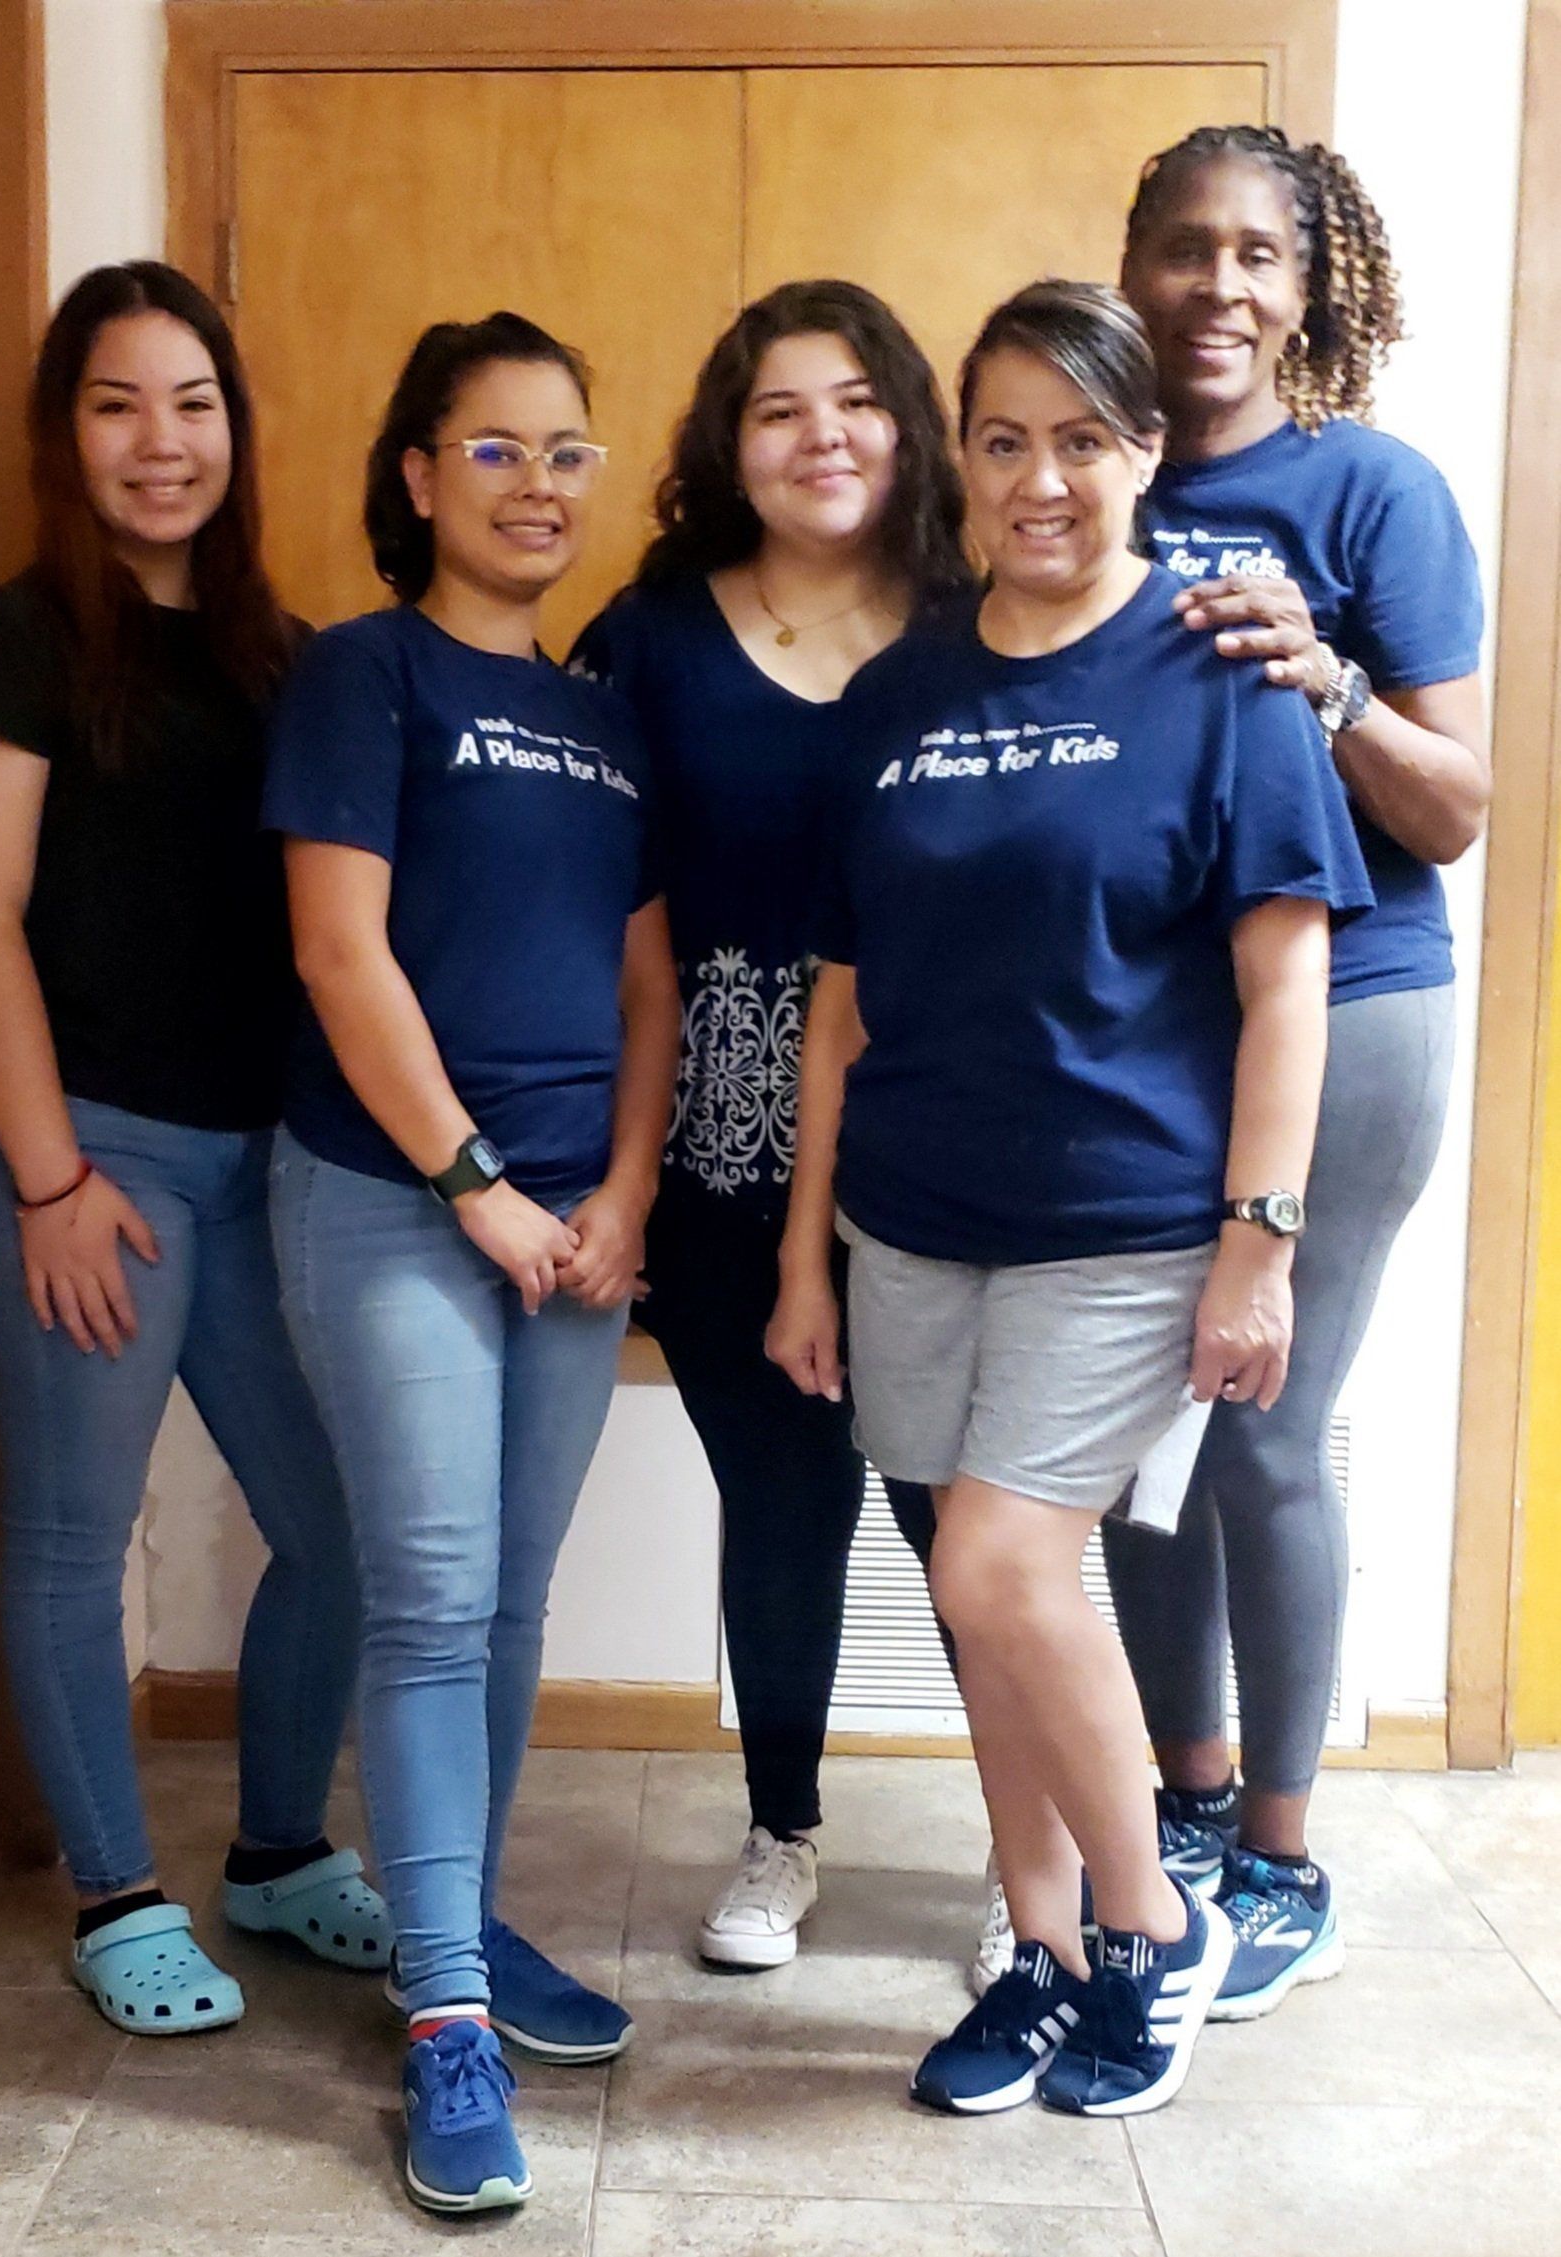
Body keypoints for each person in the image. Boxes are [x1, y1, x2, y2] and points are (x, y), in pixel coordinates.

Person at [768, 280, 1371, 2118]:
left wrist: (1258, 1247)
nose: (1044, 480)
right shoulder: (903, 694)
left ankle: (1152, 1929)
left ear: (1149, 451)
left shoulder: (1220, 668)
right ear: (964, 456)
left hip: (1123, 1219)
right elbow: (841, 1001)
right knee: (985, 1612)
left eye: (1086, 440)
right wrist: (807, 1253)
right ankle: (1038, 1954)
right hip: (911, 1216)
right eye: (1007, 439)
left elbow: (1287, 985)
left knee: (1003, 1565)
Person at [0, 262, 388, 2037]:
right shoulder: (12, 637)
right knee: (72, 1531)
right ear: (67, 433)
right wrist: (45, 1178)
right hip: (78, 1161)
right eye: (118, 405)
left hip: (254, 1163)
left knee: (334, 1524)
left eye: (193, 403)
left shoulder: (281, 652)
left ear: (237, 430)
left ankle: (274, 1857)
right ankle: (118, 1895)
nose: (161, 442)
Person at [263, 312, 680, 2214]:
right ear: (419, 475)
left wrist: (626, 1192)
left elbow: (645, 979)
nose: (536, 485)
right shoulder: (365, 676)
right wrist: (481, 1186)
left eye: (568, 451)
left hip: (574, 1227)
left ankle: (462, 1919)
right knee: (432, 1599)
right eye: (496, 449)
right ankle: (443, 2015)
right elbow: (344, 955)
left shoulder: (608, 714)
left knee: (511, 1600)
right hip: (392, 1199)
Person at [1100, 123, 1488, 2020]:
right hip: (1141, 1031)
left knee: (1260, 1426)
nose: (1222, 288)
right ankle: (1179, 1810)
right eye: (1186, 250)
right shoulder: (1078, 474)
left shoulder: (1373, 490)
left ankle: (1282, 1849)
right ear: (1135, 268)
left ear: (1311, 283)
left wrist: (1325, 680)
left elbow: (1462, 802)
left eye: (1260, 255)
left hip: (1358, 1012)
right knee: (1128, 1448)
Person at [571, 280, 971, 1972]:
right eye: (781, 407)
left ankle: (1046, 1858)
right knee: (787, 1493)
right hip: (719, 1148)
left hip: (954, 1137)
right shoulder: (648, 637)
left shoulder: (987, 621)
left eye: (859, 398)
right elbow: (583, 901)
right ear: (727, 447)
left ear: (911, 424)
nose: (824, 436)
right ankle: (783, 1831)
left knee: (974, 1524)